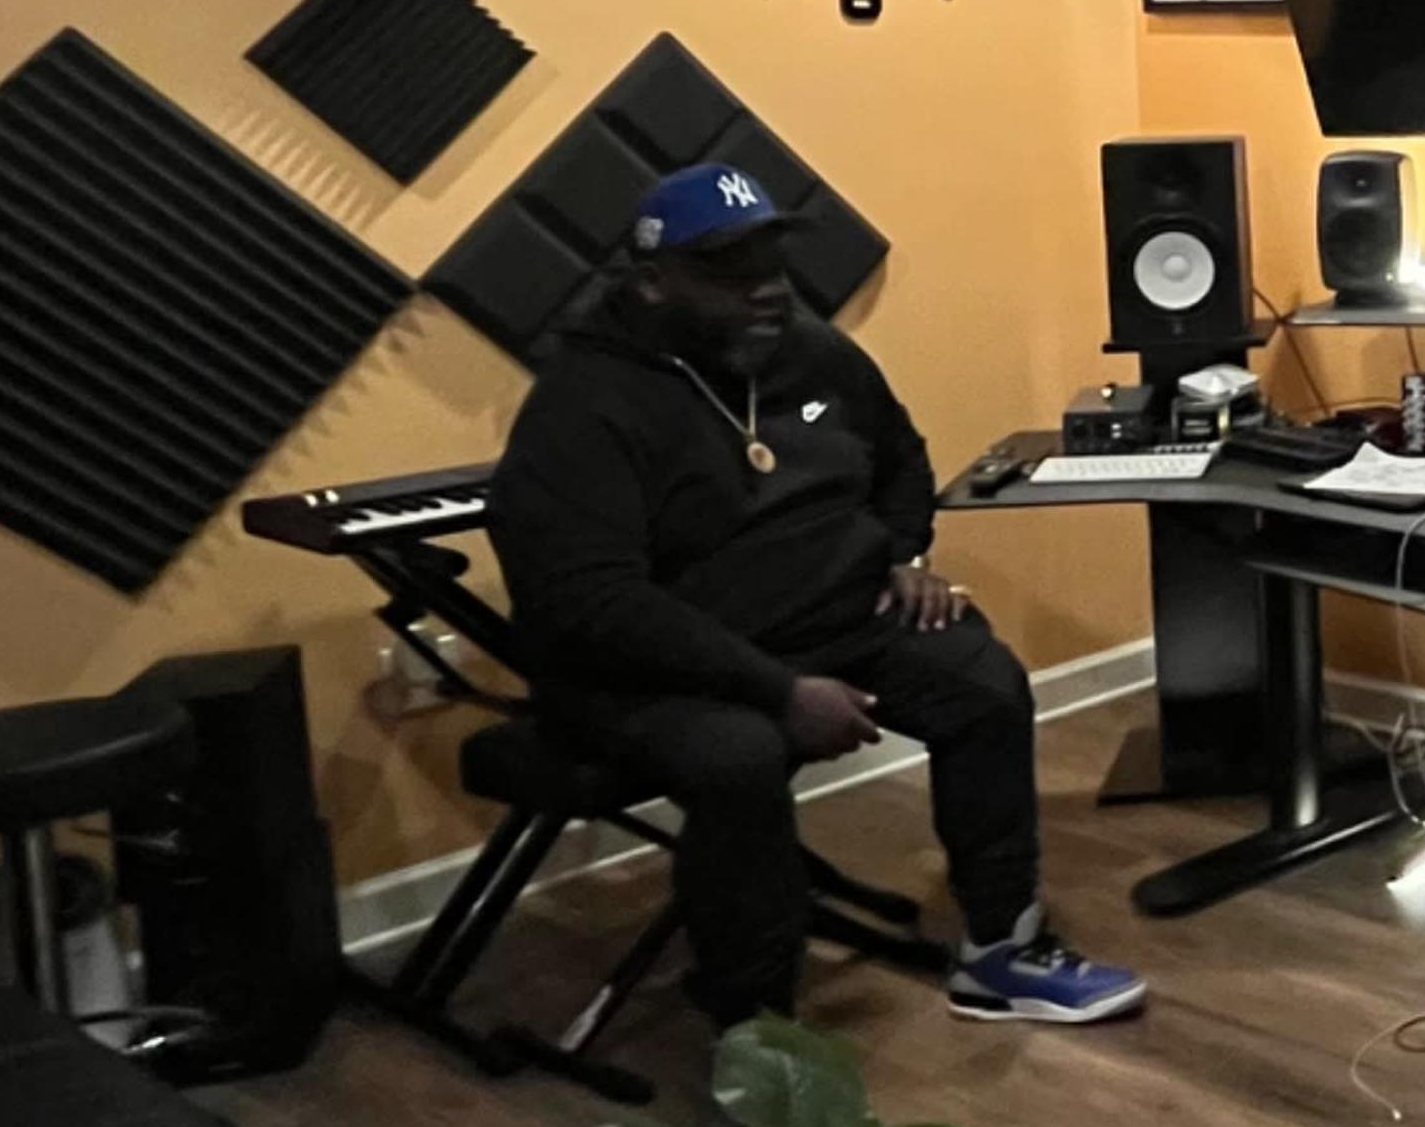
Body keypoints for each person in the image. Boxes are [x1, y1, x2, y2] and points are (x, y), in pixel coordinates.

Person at [486, 160, 1145, 1030]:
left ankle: (1002, 949)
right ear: (652, 283)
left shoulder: (809, 349)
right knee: (739, 759)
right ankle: (754, 1030)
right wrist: (778, 690)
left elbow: (901, 459)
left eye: (771, 260)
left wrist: (904, 553)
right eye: (730, 269)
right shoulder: (582, 406)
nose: (765, 287)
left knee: (981, 683)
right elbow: (593, 603)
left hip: (832, 620)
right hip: (663, 669)